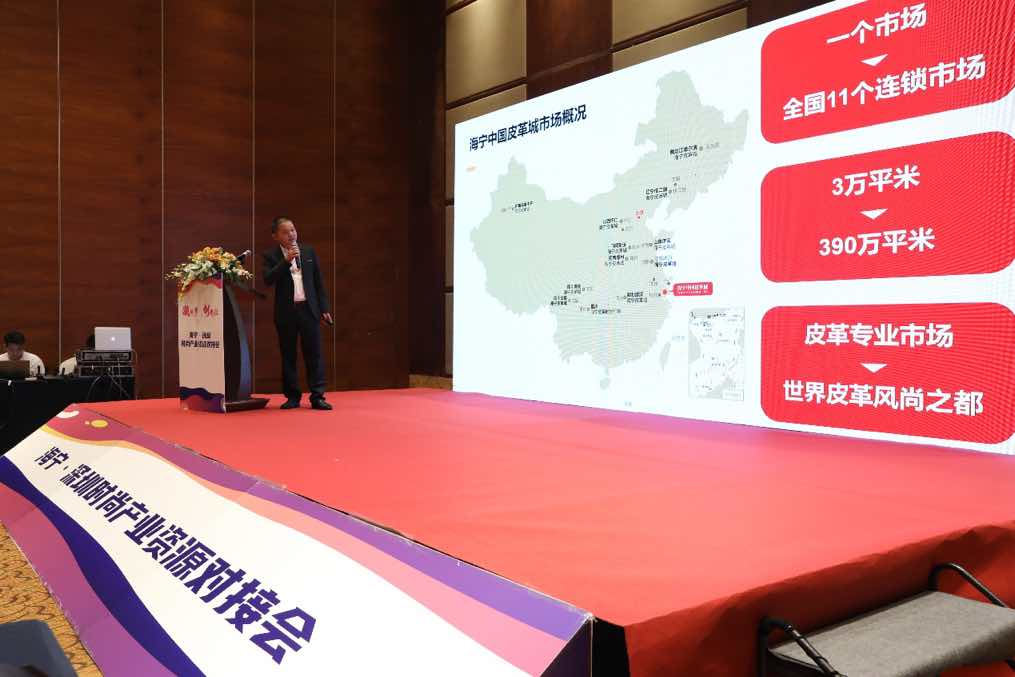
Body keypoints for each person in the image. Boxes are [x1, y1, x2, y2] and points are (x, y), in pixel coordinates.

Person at [262, 216, 333, 410]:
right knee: (288, 354)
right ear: (275, 236)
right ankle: (292, 396)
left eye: (293, 230)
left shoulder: (308, 251)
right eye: (285, 232)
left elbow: (318, 282)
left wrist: (324, 309)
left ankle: (317, 396)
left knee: (314, 353)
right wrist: (286, 261)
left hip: (309, 309)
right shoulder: (271, 256)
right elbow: (268, 279)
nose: (291, 234)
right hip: (287, 312)